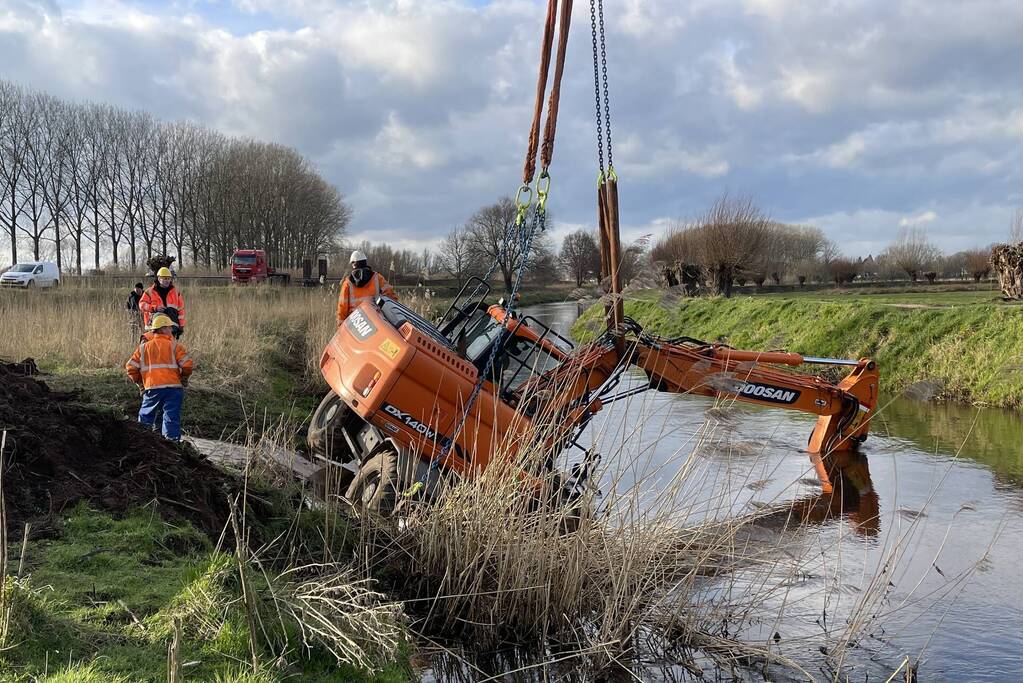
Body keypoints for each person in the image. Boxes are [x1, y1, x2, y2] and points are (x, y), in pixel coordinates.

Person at [125, 314, 193, 441]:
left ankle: (141, 442)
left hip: (152, 388)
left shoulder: (143, 348)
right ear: (163, 329)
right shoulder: (175, 346)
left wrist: (140, 383)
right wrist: (184, 378)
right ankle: (172, 445)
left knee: (145, 417)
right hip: (173, 388)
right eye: (169, 327)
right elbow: (188, 365)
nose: (172, 330)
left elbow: (130, 367)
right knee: (171, 417)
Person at [336, 250, 397, 324]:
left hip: (356, 325)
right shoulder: (378, 278)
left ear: (353, 264)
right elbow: (392, 299)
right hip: (376, 322)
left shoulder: (347, 283)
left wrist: (341, 326)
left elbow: (342, 308)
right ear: (365, 262)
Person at [139, 267, 186, 338]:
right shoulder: (149, 291)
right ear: (159, 279)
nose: (167, 281)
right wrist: (154, 308)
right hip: (153, 327)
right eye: (164, 278)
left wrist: (181, 326)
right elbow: (142, 304)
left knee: (170, 348)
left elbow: (181, 310)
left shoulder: (176, 292)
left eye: (168, 278)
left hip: (171, 328)